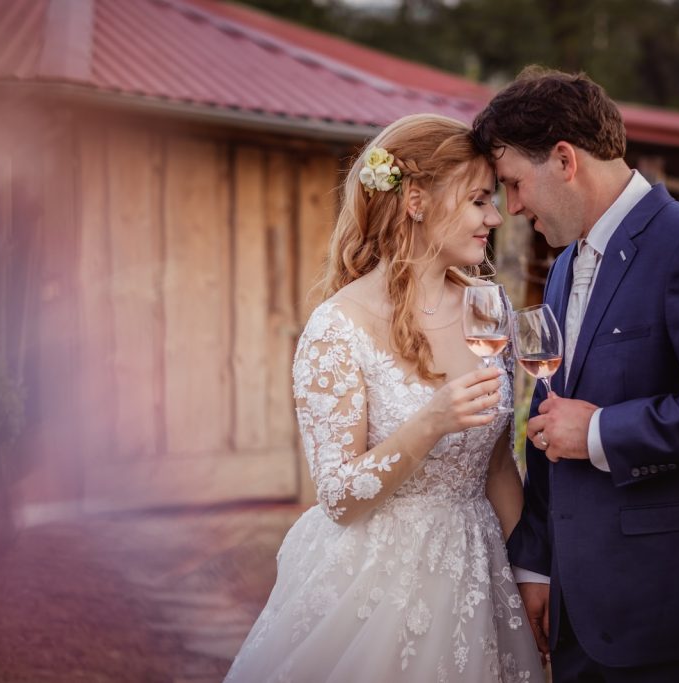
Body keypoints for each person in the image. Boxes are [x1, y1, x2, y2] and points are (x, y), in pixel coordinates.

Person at [470, 67, 679, 683]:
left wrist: (602, 433)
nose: (512, 206)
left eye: (515, 183)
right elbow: (554, 416)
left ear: (565, 160)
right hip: (585, 615)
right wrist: (539, 566)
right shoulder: (569, 262)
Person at [224, 114, 543, 682]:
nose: (495, 217)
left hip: (481, 572)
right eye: (477, 201)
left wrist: (533, 574)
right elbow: (341, 497)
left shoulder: (489, 310)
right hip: (376, 586)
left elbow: (497, 463)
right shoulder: (337, 328)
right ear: (416, 200)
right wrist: (431, 422)